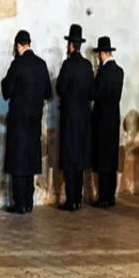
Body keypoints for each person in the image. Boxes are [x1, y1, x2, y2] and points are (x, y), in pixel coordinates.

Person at [1, 30, 52, 214]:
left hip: (18, 122)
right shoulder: (41, 65)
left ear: (18, 46)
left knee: (17, 162)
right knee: (30, 161)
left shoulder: (17, 65)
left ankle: (19, 203)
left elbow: (7, 91)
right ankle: (29, 202)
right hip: (34, 122)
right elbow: (48, 93)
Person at [56, 24, 94, 211]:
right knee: (79, 159)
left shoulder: (68, 65)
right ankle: (78, 198)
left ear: (71, 45)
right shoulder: (87, 66)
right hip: (84, 118)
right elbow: (92, 91)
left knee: (70, 158)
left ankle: (71, 199)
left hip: (70, 117)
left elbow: (60, 89)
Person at [90, 36, 124, 208]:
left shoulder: (103, 73)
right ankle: (111, 195)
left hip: (101, 120)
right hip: (114, 119)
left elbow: (95, 93)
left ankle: (103, 196)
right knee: (111, 158)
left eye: (98, 54)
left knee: (102, 159)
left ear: (103, 54)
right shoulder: (119, 71)